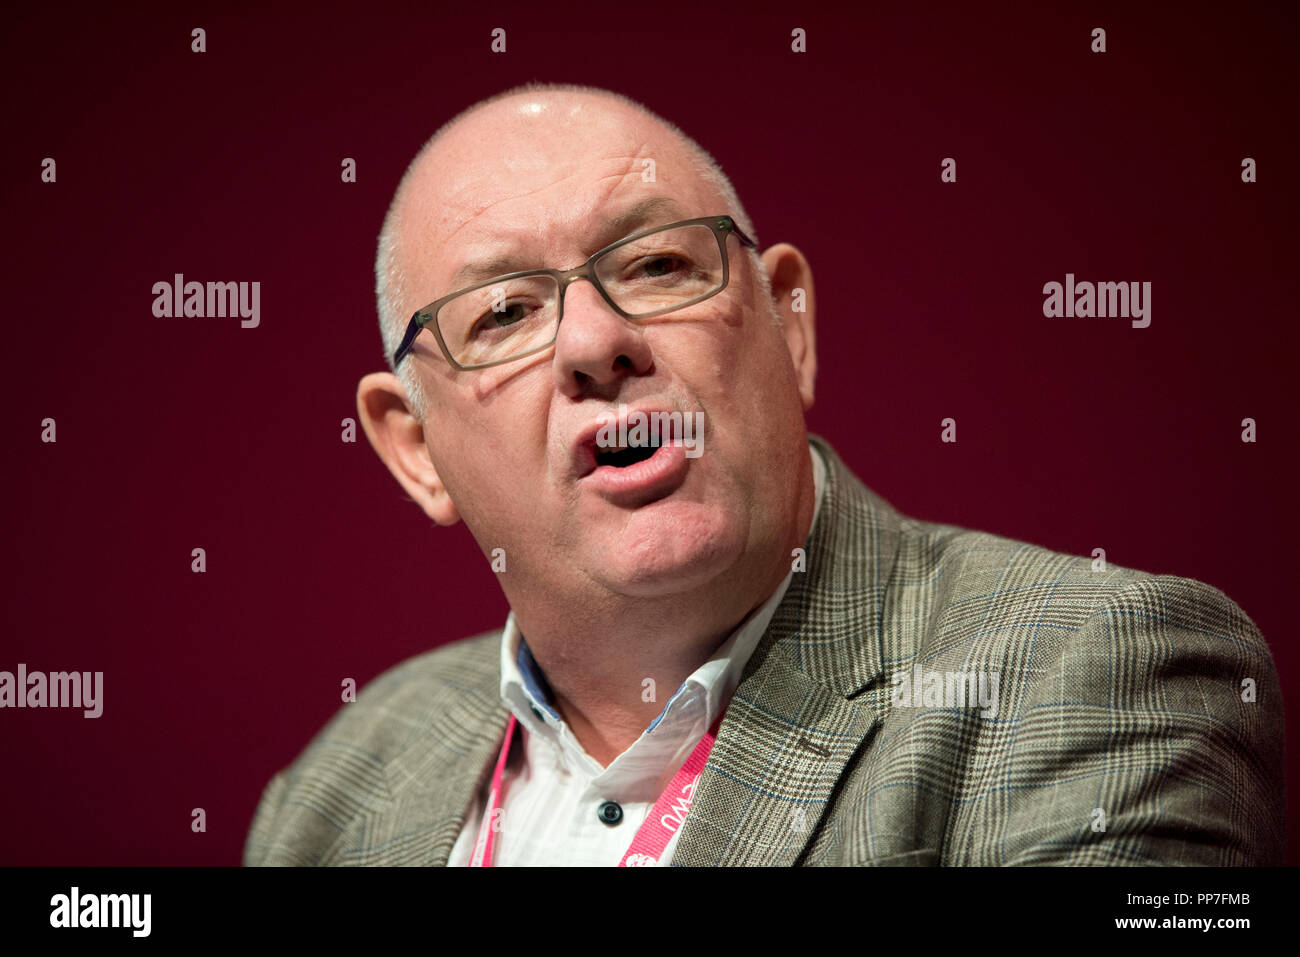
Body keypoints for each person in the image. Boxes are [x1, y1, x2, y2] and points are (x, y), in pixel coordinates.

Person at [244, 82, 1284, 866]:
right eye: (506, 313)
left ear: (788, 326)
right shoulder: (343, 782)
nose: (595, 342)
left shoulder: (1101, 674)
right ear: (415, 449)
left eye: (657, 265)